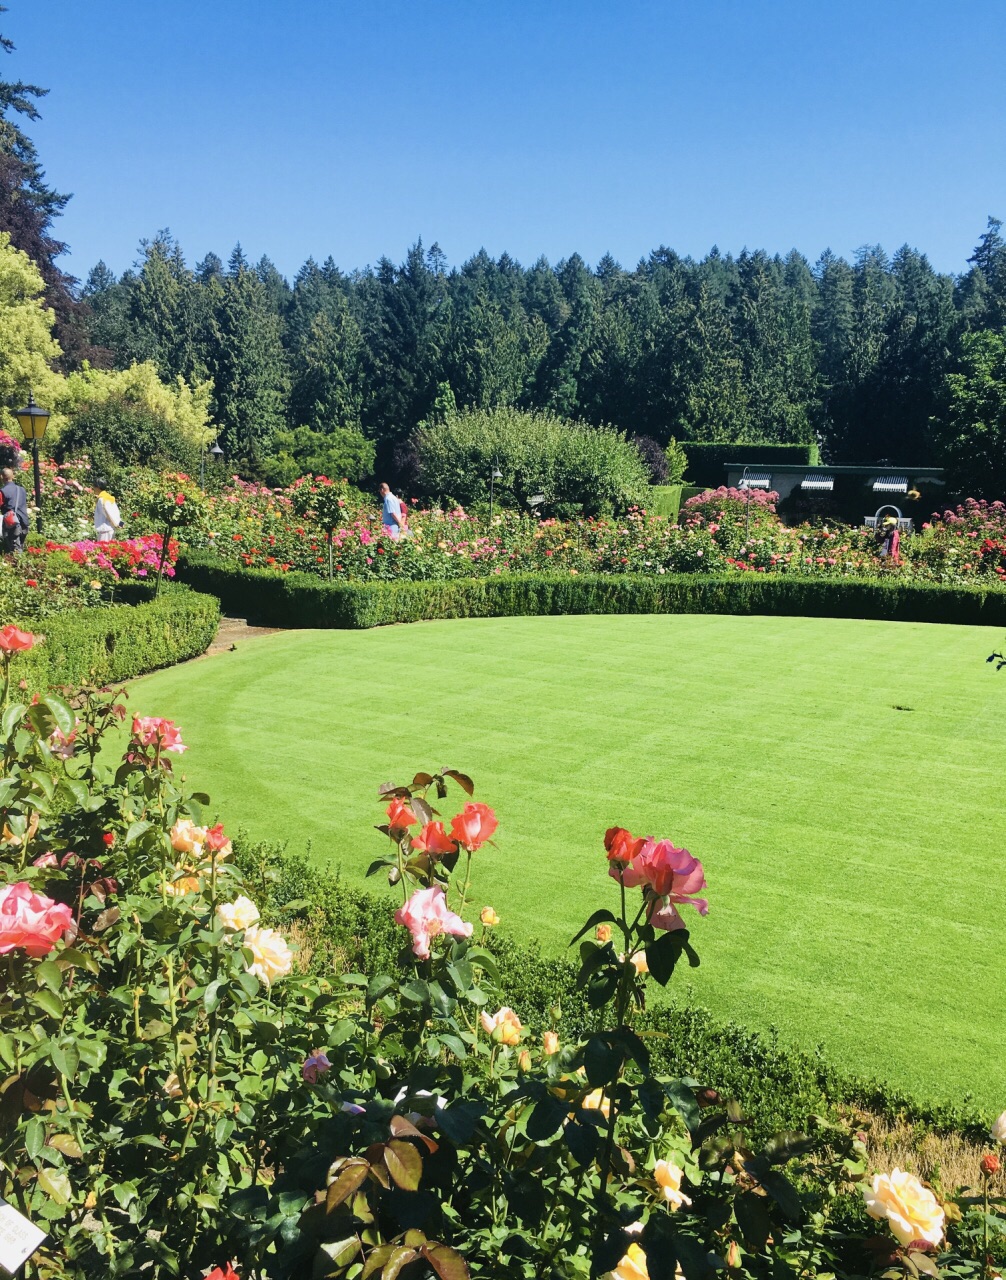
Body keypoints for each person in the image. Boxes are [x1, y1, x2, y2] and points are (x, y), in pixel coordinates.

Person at [0, 466, 29, 555]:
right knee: (20, 546)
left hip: (12, 523)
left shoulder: (3, 491)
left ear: (2, 477)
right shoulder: (22, 490)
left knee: (14, 550)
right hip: (24, 522)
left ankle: (18, 567)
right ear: (13, 476)